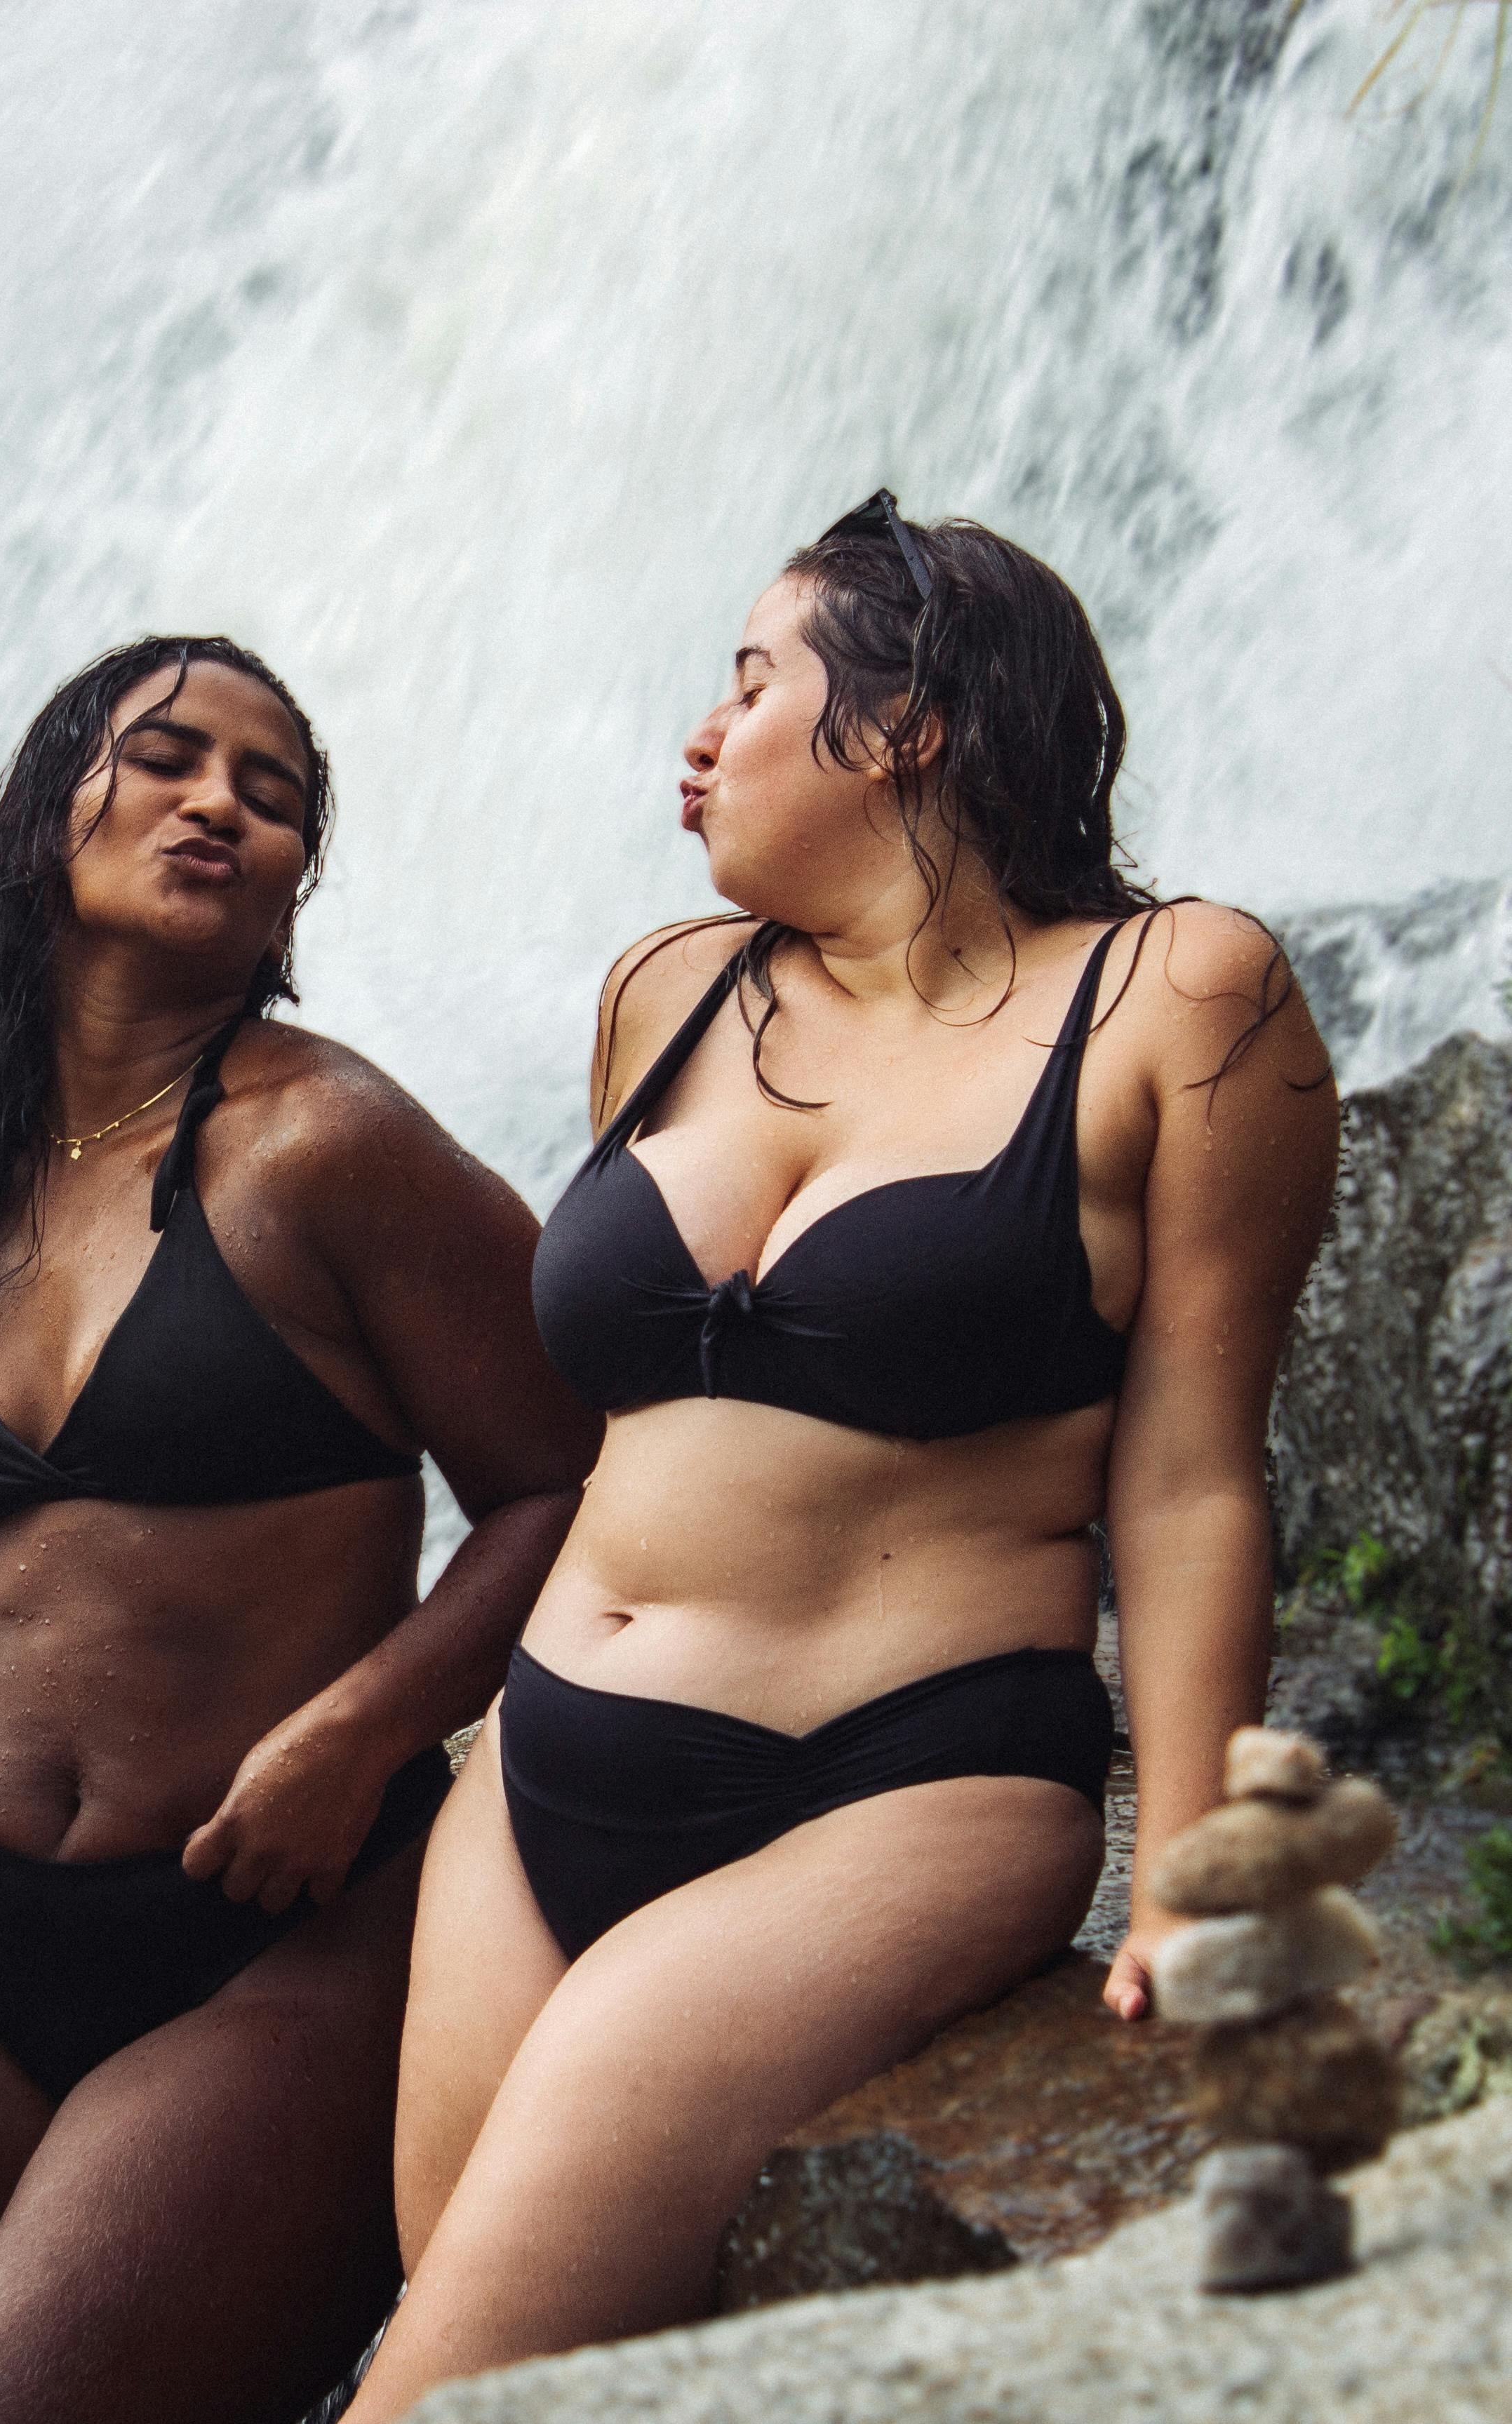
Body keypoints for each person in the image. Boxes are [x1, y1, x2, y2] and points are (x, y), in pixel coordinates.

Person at [343, 495, 1339, 2417]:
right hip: (540, 1775)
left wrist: (1193, 1869)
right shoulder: (666, 989)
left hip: (893, 1789)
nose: (698, 739)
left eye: (749, 683)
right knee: (472, 2337)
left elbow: (1195, 1473)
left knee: (440, 2396)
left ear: (905, 724)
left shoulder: (1178, 999)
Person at [0, 634, 598, 2424]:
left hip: (275, 1943)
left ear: (296, 880)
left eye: (275, 791)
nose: (220, 800)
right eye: (166, 758)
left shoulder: (332, 1143)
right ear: (50, 806)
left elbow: (576, 1480)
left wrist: (368, 1727)